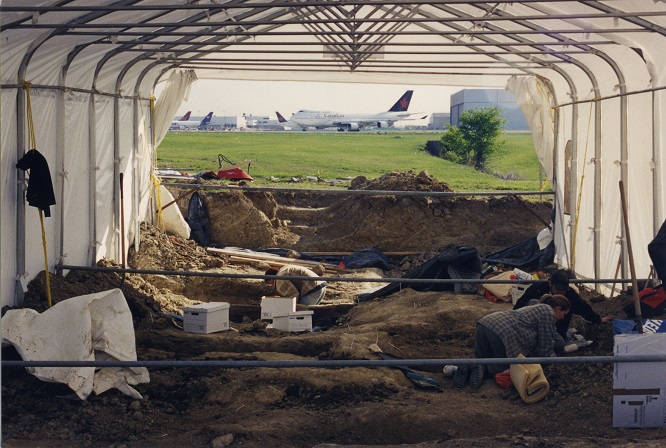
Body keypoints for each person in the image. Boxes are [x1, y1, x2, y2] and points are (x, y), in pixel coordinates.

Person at [455, 294, 571, 389]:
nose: (562, 318)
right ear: (558, 308)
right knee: (501, 368)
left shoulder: (536, 306)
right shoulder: (549, 313)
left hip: (486, 324)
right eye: (563, 314)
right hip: (501, 333)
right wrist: (554, 359)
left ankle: (465, 366)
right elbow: (544, 350)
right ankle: (483, 368)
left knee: (481, 358)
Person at [513, 268, 613, 340]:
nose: (560, 293)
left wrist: (598, 319)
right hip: (532, 329)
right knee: (533, 302)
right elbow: (519, 306)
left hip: (556, 330)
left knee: (559, 344)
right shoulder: (537, 289)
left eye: (563, 290)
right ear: (550, 283)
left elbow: (583, 307)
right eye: (557, 289)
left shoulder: (570, 295)